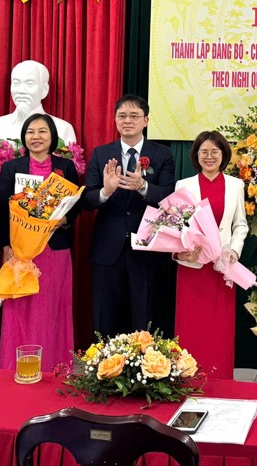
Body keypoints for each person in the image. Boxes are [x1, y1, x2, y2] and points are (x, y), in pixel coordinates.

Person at [82, 94, 175, 336]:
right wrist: (106, 191)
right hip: (107, 248)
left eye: (134, 116)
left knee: (144, 315)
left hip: (146, 248)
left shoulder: (163, 154)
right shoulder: (102, 154)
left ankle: (146, 368)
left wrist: (142, 187)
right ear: (114, 120)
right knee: (106, 315)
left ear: (146, 120)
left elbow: (168, 195)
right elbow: (87, 200)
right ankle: (104, 370)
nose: (127, 121)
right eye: (122, 116)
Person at [0, 114, 81, 371]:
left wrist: (65, 218)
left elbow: (76, 204)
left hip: (54, 250)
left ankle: (55, 368)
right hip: (22, 252)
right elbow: (0, 209)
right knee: (21, 309)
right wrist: (5, 247)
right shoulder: (12, 167)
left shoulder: (65, 167)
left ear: (52, 136)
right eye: (31, 131)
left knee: (52, 309)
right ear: (24, 137)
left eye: (42, 131)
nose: (36, 137)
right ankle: (16, 366)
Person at [173, 131, 248, 379]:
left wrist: (233, 250)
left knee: (220, 328)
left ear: (224, 155)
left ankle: (221, 379)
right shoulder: (183, 186)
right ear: (196, 155)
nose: (209, 156)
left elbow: (241, 225)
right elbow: (174, 227)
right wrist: (181, 252)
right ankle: (187, 378)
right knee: (192, 326)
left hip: (222, 268)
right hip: (192, 268)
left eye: (215, 152)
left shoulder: (236, 185)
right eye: (204, 152)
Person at [0, 60, 77, 144]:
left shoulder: (62, 129)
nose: (21, 90)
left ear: (44, 90)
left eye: (29, 84)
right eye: (16, 83)